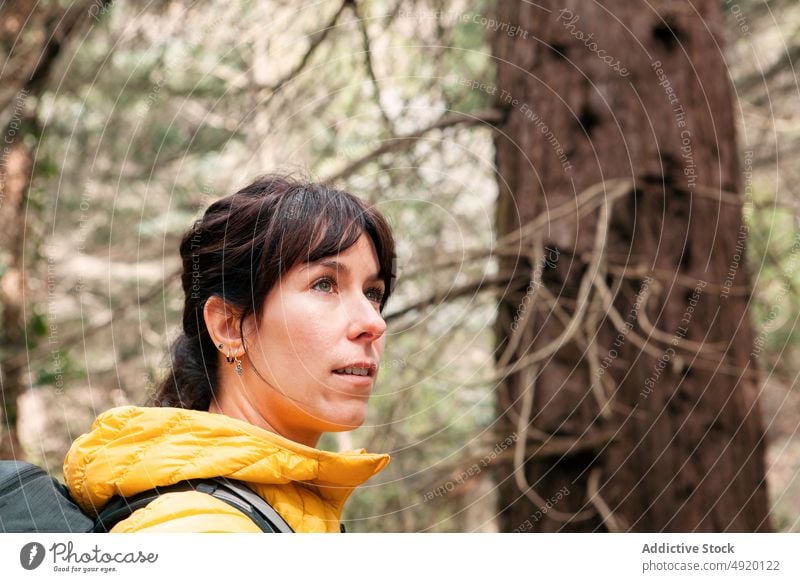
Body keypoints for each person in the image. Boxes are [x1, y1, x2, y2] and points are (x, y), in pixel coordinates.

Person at [63, 174, 397, 533]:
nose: (374, 323)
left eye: (373, 293)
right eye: (324, 284)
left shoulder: (275, 509)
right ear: (227, 326)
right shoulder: (198, 532)